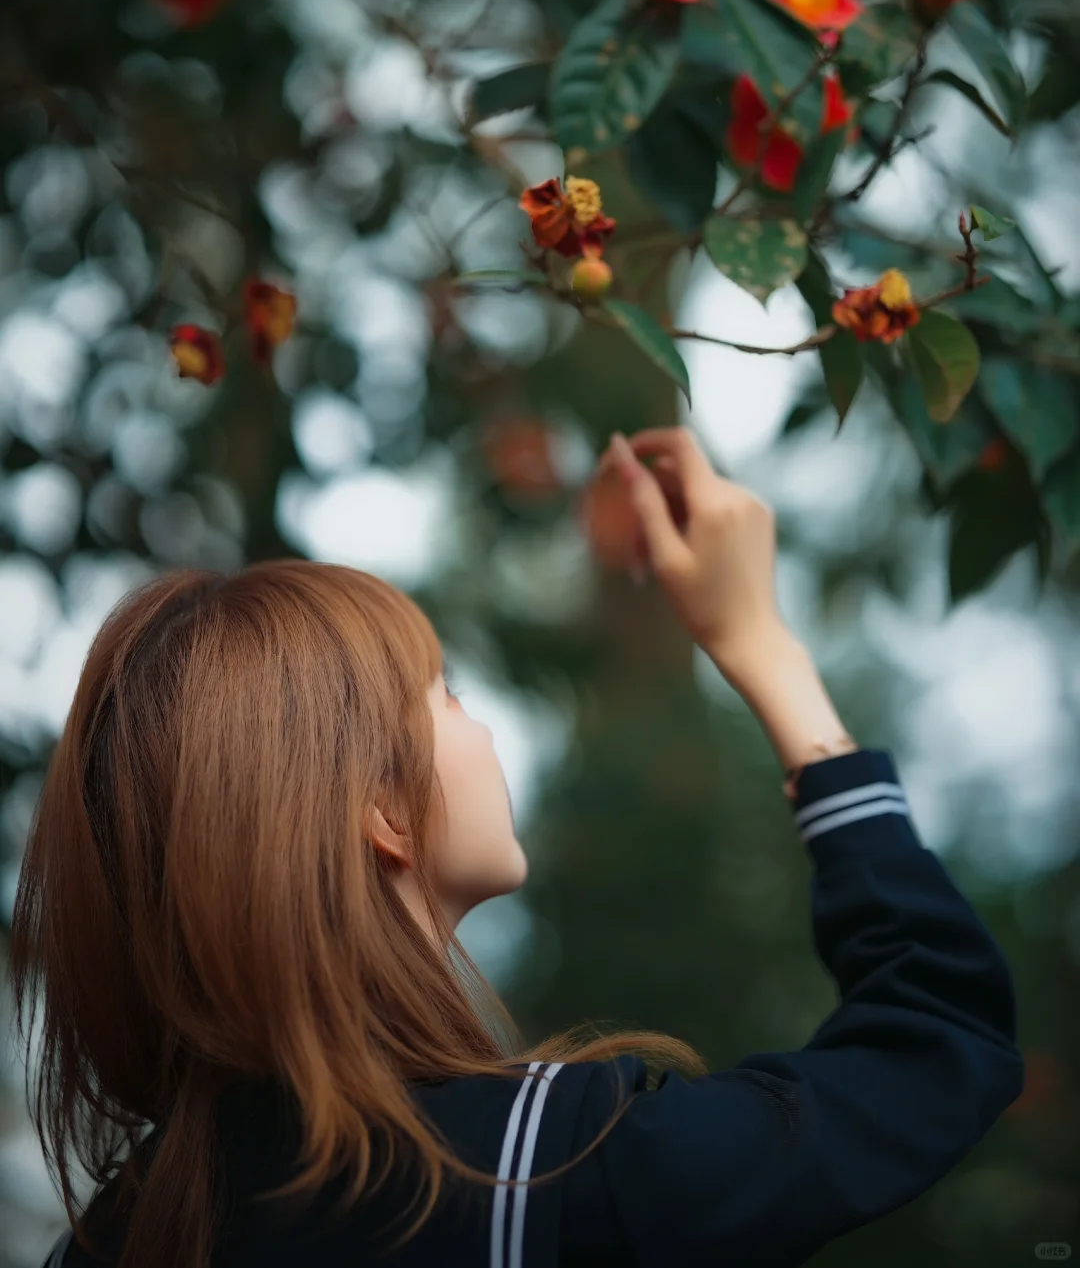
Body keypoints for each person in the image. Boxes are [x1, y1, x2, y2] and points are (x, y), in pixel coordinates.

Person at [11, 426, 1023, 1268]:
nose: (483, 727)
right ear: (386, 814)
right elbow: (942, 1043)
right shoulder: (545, 1173)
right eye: (445, 694)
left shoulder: (104, 1243)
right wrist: (764, 648)